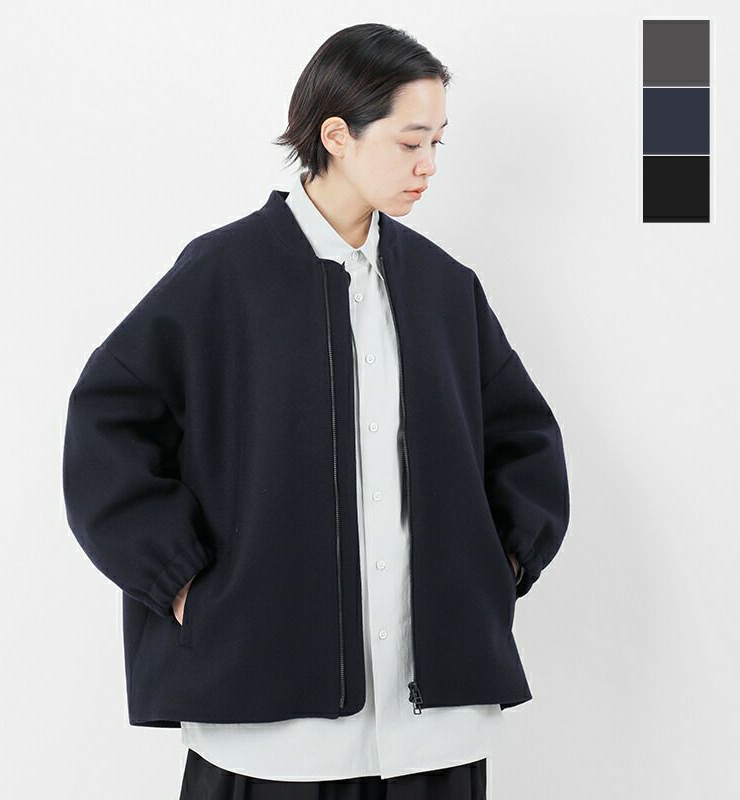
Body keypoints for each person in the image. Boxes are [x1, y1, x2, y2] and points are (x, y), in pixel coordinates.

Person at [62, 23, 570, 800]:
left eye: (438, 142)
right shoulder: (224, 274)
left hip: (434, 730)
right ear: (336, 135)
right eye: (410, 142)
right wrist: (182, 583)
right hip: (272, 728)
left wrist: (494, 572)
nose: (429, 165)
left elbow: (525, 439)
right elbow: (108, 425)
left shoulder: (443, 288)